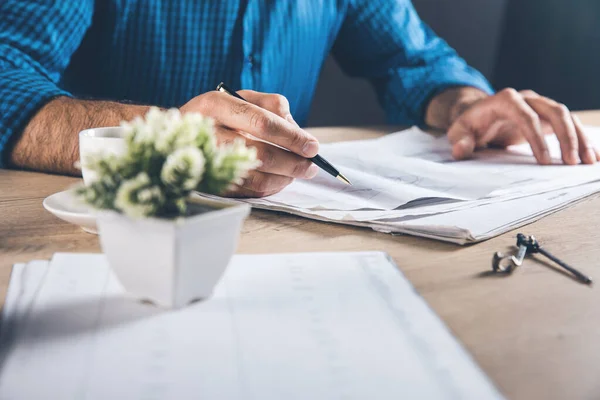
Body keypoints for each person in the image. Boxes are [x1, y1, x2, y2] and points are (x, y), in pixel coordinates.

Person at [1, 1, 597, 198]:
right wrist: (156, 138)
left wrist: (465, 104)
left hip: (279, 235)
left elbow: (412, 59)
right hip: (107, 233)